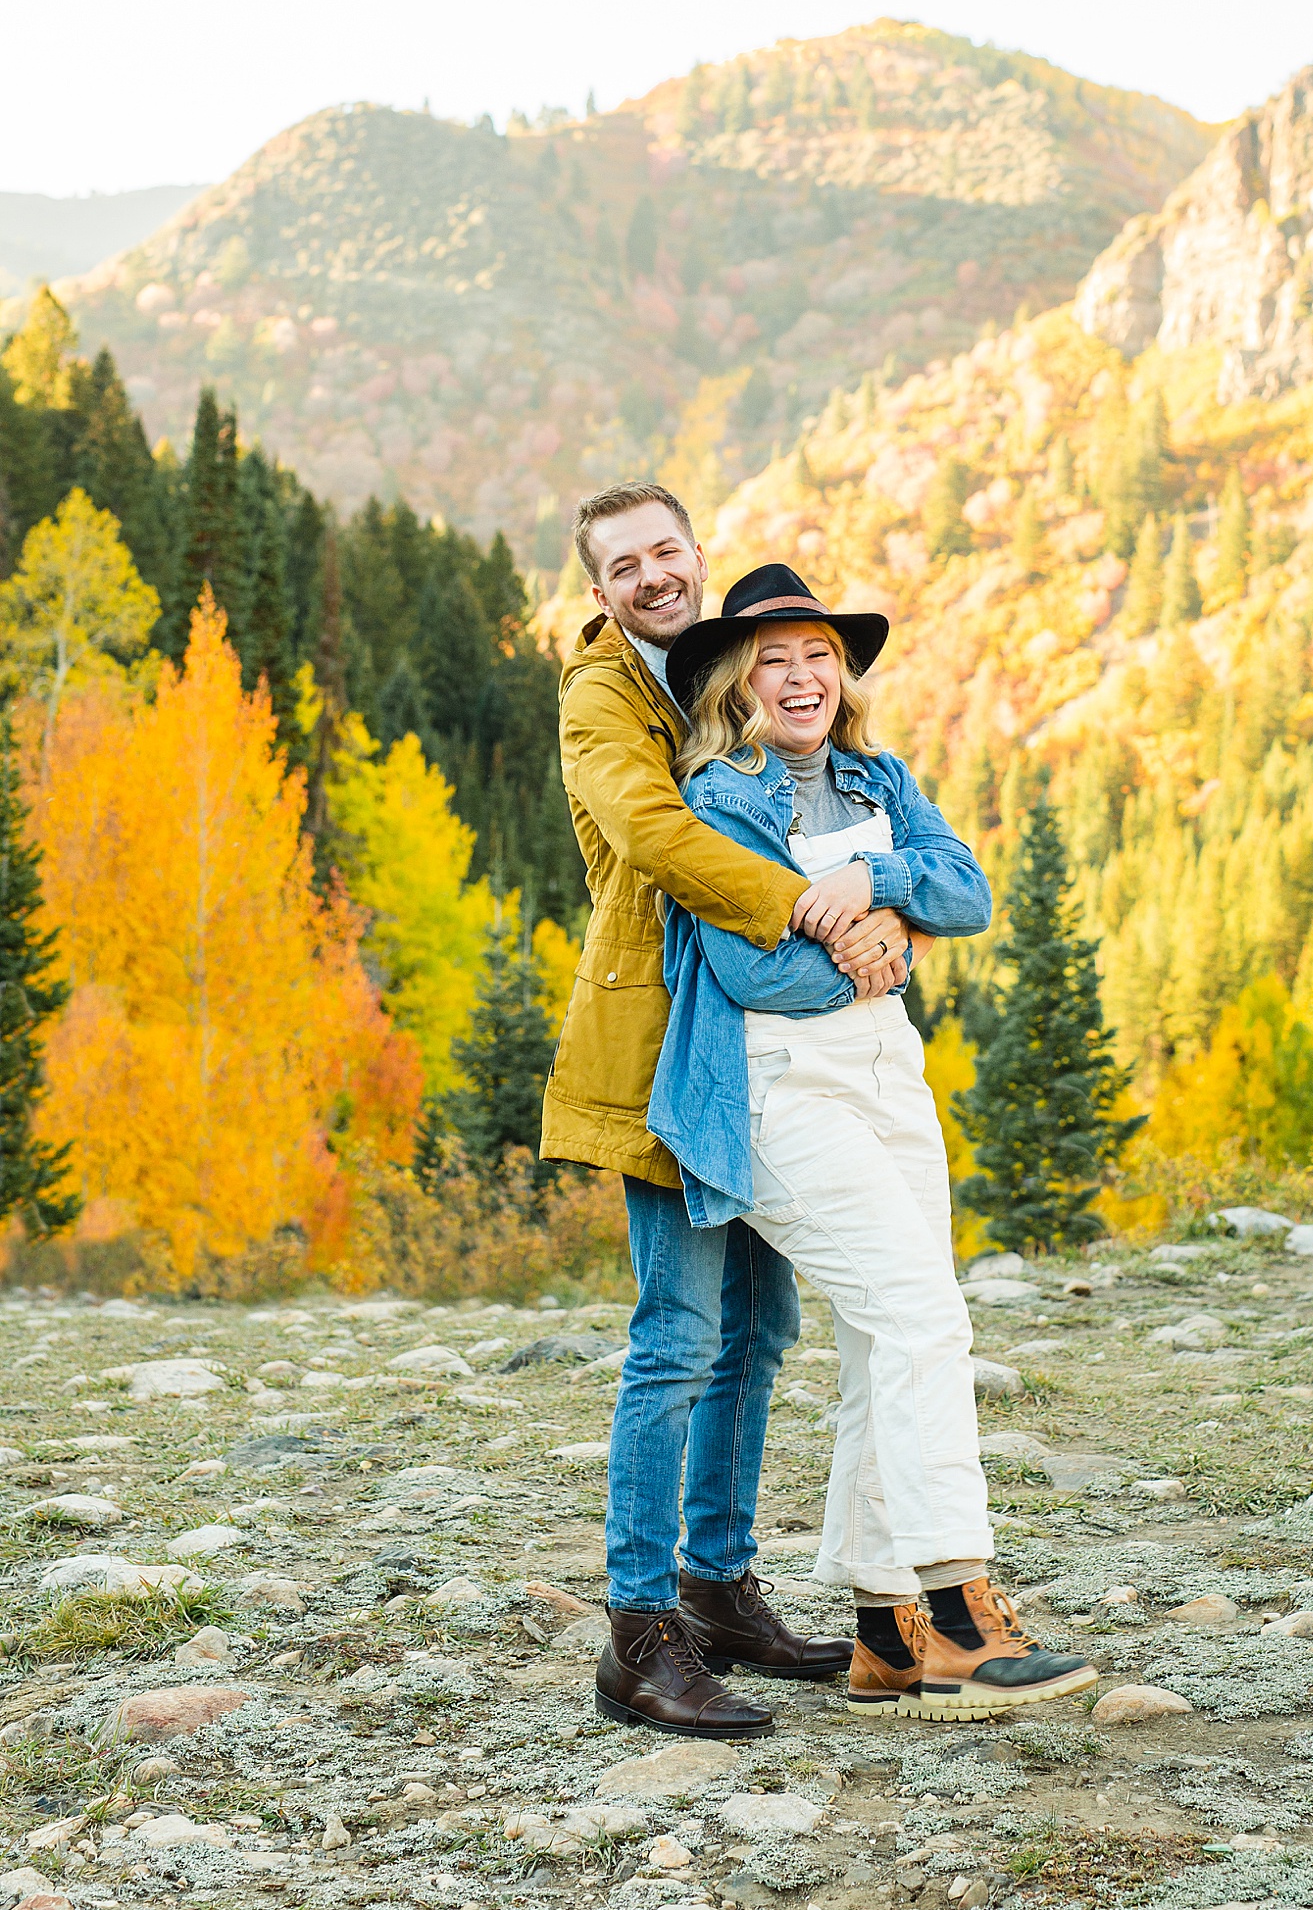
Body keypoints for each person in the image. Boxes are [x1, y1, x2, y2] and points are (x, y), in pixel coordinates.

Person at [653, 562, 1100, 1722]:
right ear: (733, 680)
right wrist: (873, 945)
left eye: (817, 656)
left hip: (890, 1075)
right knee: (920, 1316)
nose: (799, 677)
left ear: (839, 674)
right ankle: (960, 1609)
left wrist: (872, 881)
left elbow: (966, 891)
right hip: (776, 1086)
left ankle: (880, 1636)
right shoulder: (712, 796)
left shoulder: (878, 776)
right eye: (772, 657)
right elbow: (754, 969)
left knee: (875, 1343)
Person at [541, 483, 916, 1738]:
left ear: (695, 553)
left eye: (667, 551)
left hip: (764, 1049)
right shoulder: (603, 695)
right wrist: (813, 910)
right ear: (599, 590)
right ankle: (638, 1634)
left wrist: (880, 900)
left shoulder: (724, 666)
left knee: (757, 1332)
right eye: (624, 566)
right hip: (667, 1050)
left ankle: (717, 1588)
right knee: (679, 1335)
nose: (653, 576)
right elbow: (651, 832)